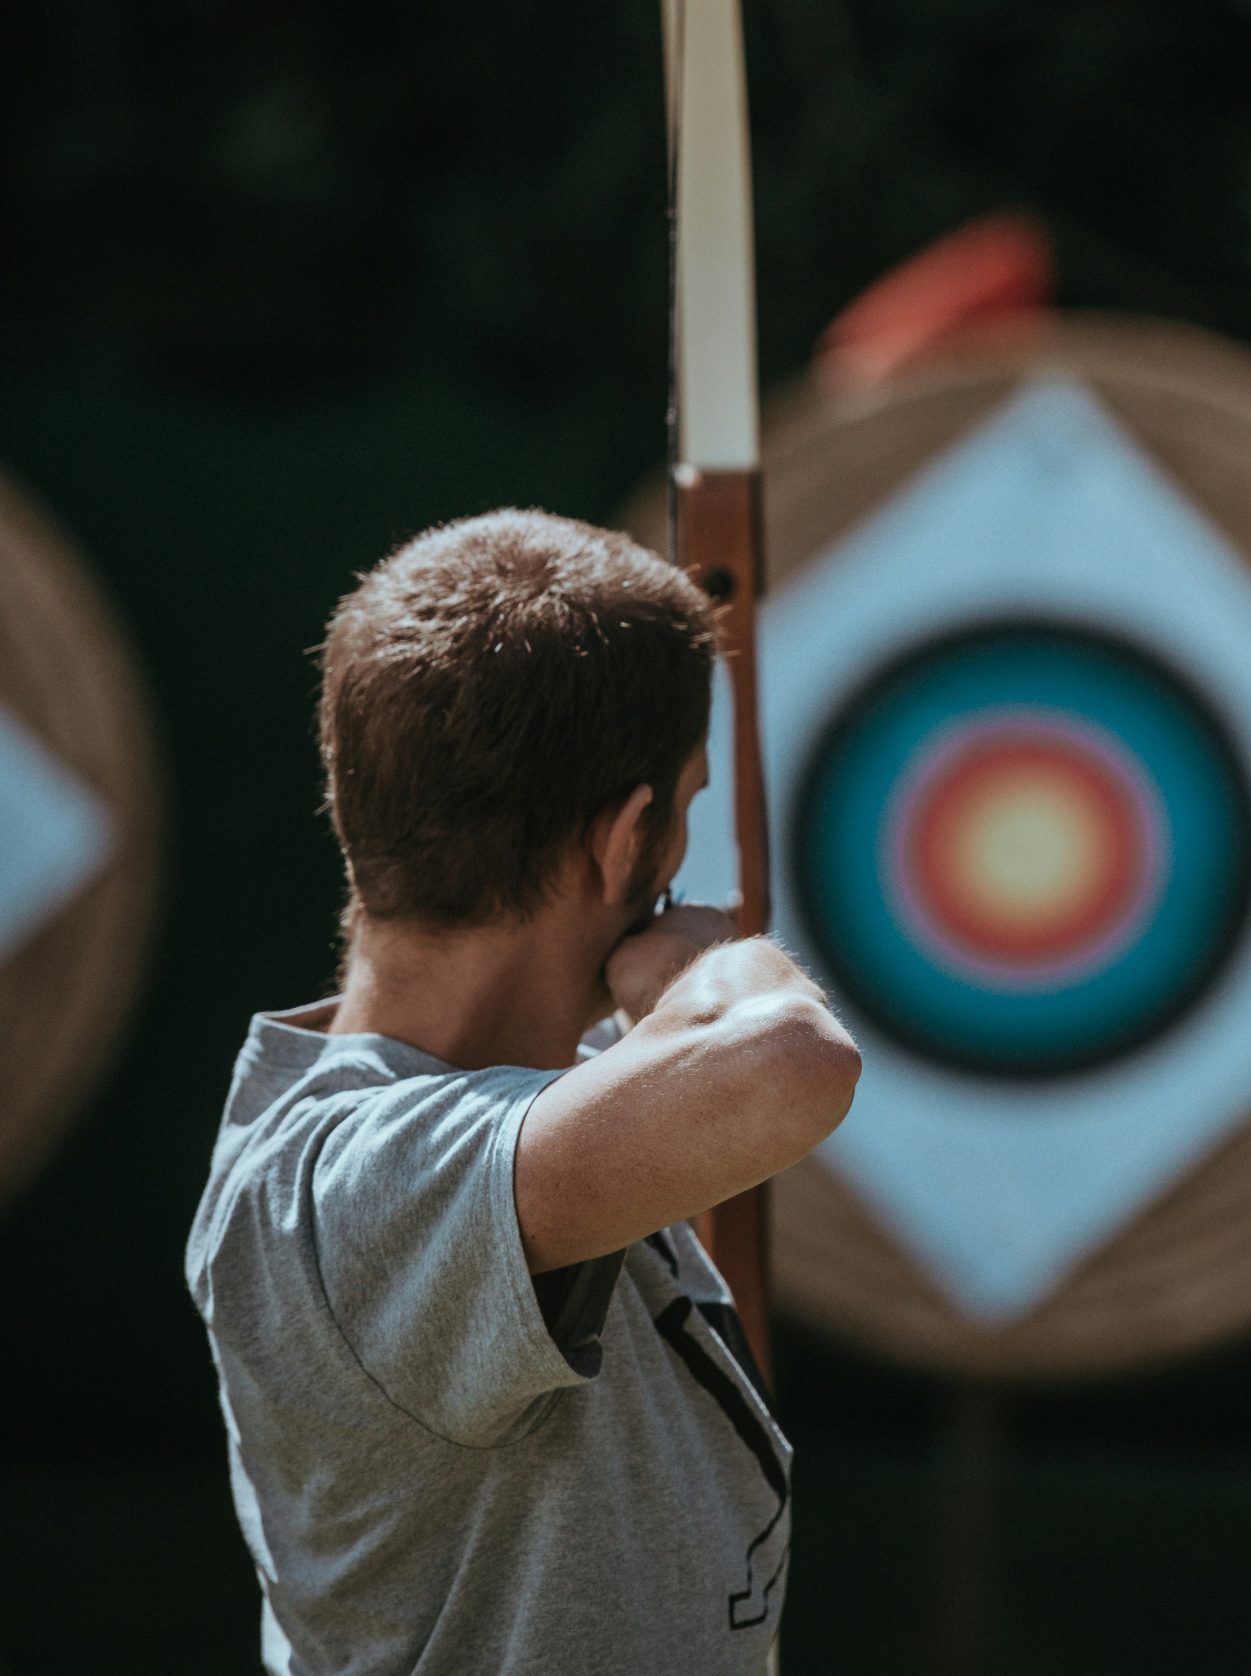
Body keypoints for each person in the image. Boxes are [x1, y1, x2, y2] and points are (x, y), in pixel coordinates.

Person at [186, 509, 861, 1675]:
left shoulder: (537, 1107)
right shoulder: (345, 1184)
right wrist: (706, 961)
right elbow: (787, 1063)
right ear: (626, 837)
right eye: (683, 806)